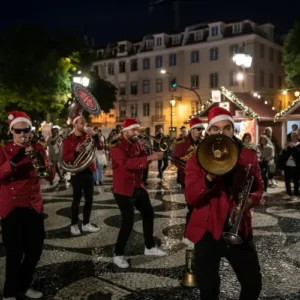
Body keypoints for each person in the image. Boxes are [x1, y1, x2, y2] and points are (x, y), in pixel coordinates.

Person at [185, 106, 264, 300]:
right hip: (207, 230)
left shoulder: (248, 155)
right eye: (215, 128)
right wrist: (209, 177)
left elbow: (259, 187)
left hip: (238, 229)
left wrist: (249, 201)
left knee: (252, 284)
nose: (221, 133)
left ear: (233, 129)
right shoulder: (196, 158)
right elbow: (191, 197)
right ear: (209, 131)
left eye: (226, 128)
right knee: (209, 289)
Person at [0, 111, 55, 300]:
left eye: (26, 130)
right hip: (12, 207)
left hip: (33, 205)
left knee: (35, 250)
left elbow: (49, 175)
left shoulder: (38, 148)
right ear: (11, 131)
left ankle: (23, 286)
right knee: (14, 253)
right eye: (18, 131)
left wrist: (41, 161)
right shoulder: (3, 150)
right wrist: (16, 160)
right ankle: (9, 293)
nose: (23, 134)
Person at [110, 118, 167, 268]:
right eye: (134, 130)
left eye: (138, 130)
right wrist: (150, 157)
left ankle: (149, 247)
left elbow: (143, 157)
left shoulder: (137, 143)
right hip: (123, 189)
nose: (137, 132)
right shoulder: (116, 145)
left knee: (148, 214)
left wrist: (153, 153)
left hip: (138, 186)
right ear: (125, 130)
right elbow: (126, 164)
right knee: (128, 222)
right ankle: (118, 254)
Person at [62, 115, 104, 236]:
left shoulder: (89, 136)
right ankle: (74, 225)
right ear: (74, 124)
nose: (83, 125)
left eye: (84, 122)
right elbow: (65, 157)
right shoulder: (68, 139)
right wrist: (75, 151)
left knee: (89, 199)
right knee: (76, 199)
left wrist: (95, 135)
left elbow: (100, 147)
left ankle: (86, 223)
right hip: (76, 171)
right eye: (80, 123)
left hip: (89, 170)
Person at [173, 117, 204, 246]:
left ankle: (197, 233)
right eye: (198, 129)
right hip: (188, 179)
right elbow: (175, 160)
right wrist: (187, 169)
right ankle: (188, 235)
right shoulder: (182, 142)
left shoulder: (203, 142)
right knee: (192, 207)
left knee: (199, 208)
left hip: (202, 178)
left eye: (202, 129)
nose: (200, 132)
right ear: (192, 130)